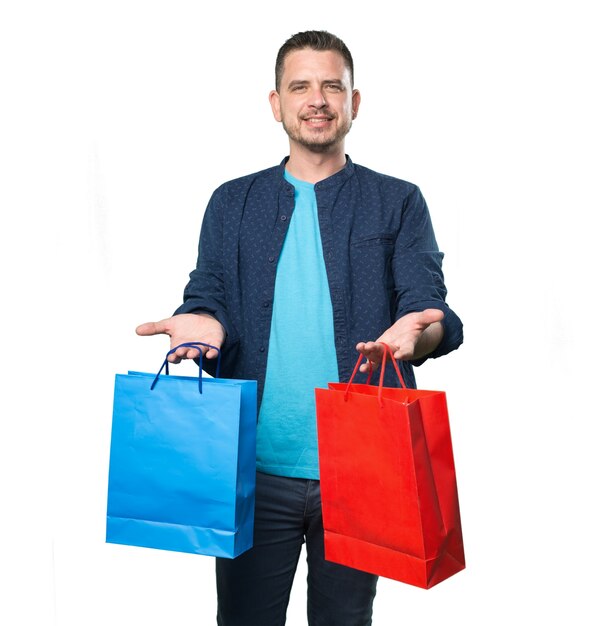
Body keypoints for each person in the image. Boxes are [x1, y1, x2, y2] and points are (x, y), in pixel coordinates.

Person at [137, 30, 462, 626]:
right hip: (252, 467)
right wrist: (202, 325)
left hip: (361, 470)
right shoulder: (231, 203)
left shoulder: (398, 202)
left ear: (353, 102)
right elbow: (208, 295)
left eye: (331, 86)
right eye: (301, 86)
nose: (317, 99)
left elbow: (429, 308)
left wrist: (419, 334)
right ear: (276, 102)